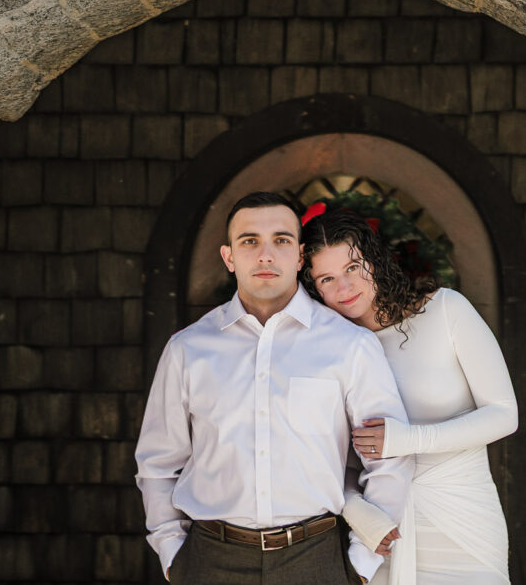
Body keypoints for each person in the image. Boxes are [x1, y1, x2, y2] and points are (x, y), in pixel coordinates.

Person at [135, 192, 414, 584]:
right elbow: (157, 463)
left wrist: (360, 567)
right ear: (229, 257)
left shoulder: (349, 345)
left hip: (317, 559)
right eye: (250, 241)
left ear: (300, 256)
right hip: (209, 560)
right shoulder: (188, 349)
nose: (265, 255)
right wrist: (171, 552)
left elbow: (389, 459)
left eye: (281, 241)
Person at [301, 207, 519, 585]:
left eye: (353, 268)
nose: (345, 288)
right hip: (383, 529)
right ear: (314, 289)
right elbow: (323, 460)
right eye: (327, 279)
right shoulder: (328, 354)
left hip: (463, 519)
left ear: (374, 260)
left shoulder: (446, 310)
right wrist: (357, 512)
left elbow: (503, 414)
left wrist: (408, 440)